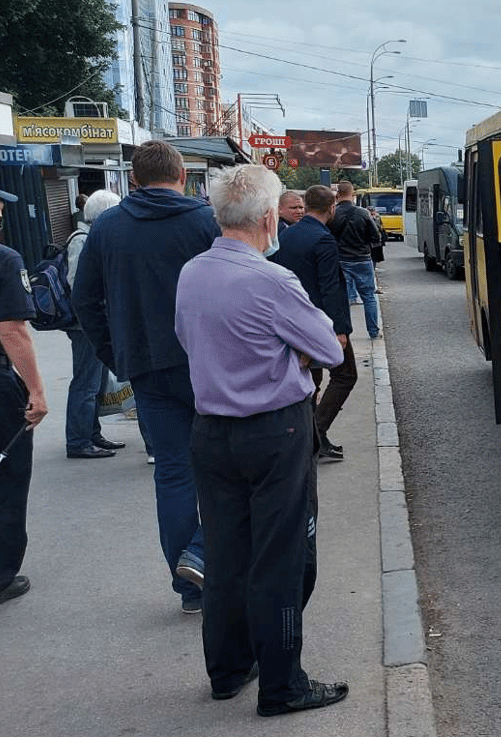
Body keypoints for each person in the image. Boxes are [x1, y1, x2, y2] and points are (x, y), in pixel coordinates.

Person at [175, 164, 348, 716]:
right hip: (274, 431)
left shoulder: (193, 273)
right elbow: (331, 347)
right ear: (270, 218)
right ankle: (283, 683)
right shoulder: (271, 280)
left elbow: (190, 338)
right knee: (281, 557)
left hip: (211, 431)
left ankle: (227, 669)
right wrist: (289, 350)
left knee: (226, 555)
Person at [72, 139, 216, 614]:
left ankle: (190, 588)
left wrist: (116, 353)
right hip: (208, 364)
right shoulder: (203, 220)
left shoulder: (107, 228)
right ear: (181, 176)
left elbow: (85, 300)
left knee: (174, 474)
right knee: (227, 466)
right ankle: (202, 554)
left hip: (147, 368)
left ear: (133, 179)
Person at [0, 173, 47, 609]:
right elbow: (13, 331)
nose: (1, 210)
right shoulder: (0, 259)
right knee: (3, 477)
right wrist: (37, 391)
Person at [271, 184, 353, 460]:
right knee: (345, 375)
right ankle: (314, 434)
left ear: (306, 206)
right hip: (321, 322)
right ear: (331, 208)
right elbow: (330, 287)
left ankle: (307, 438)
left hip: (293, 319)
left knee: (311, 380)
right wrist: (340, 330)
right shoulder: (323, 239)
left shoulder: (288, 234)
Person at [64, 189, 123, 459]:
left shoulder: (94, 237)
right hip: (84, 324)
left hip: (96, 320)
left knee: (97, 383)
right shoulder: (82, 239)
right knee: (86, 383)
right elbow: (79, 285)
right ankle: (78, 440)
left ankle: (92, 433)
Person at [329, 181, 383, 337]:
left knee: (342, 298)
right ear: (353, 195)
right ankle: (373, 331)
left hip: (341, 259)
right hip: (362, 259)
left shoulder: (333, 213)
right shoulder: (363, 213)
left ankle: (343, 333)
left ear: (337, 195)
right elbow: (375, 236)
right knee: (369, 297)